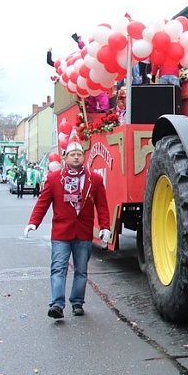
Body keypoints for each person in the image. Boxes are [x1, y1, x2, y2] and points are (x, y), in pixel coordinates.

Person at [24, 129, 111, 319]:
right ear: (65, 157)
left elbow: (102, 206)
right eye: (73, 154)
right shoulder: (55, 178)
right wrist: (33, 222)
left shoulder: (94, 180)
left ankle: (77, 302)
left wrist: (105, 226)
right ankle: (57, 304)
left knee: (81, 270)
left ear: (83, 157)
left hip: (83, 233)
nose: (76, 158)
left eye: (79, 154)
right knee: (58, 268)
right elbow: (43, 203)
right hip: (61, 233)